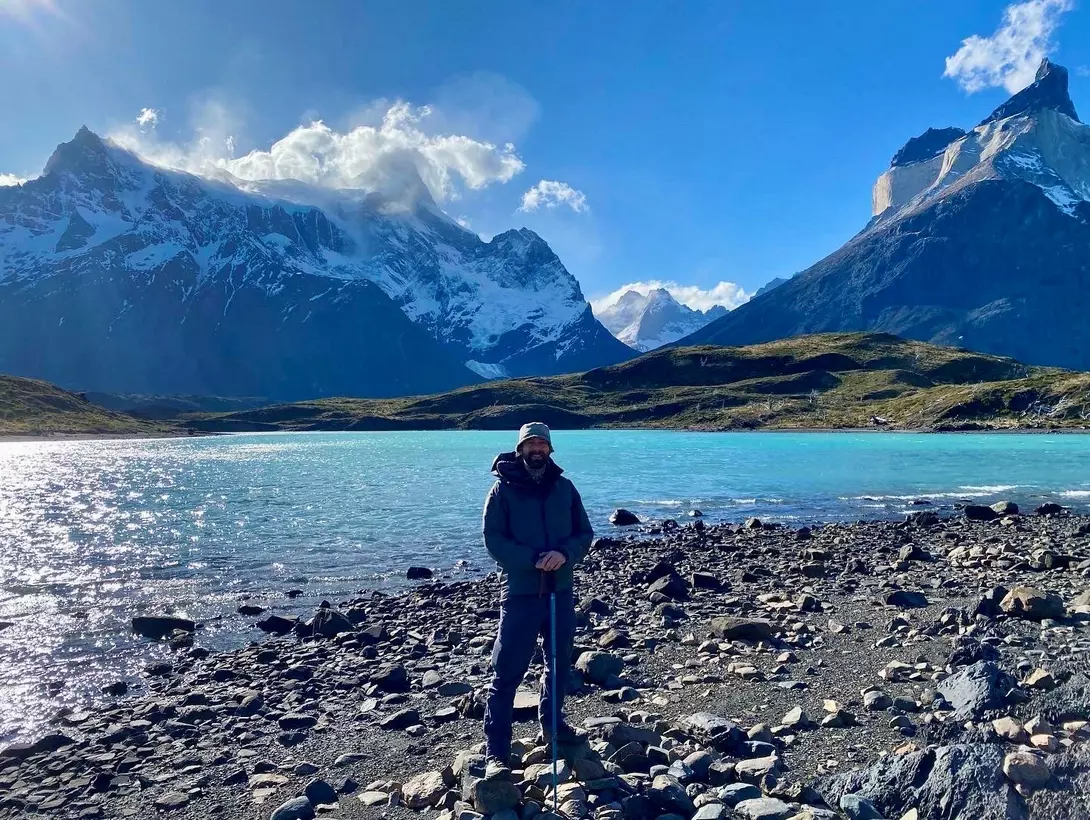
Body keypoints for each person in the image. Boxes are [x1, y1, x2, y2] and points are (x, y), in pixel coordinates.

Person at [481, 422, 594, 764]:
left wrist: (565, 554)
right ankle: (496, 750)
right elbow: (494, 540)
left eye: (542, 444)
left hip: (560, 591)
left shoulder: (565, 488)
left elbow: (584, 533)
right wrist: (532, 560)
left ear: (550, 450)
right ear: (520, 450)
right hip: (521, 594)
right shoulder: (501, 492)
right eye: (530, 444)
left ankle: (553, 726)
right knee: (507, 671)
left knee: (559, 665)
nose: (536, 450)